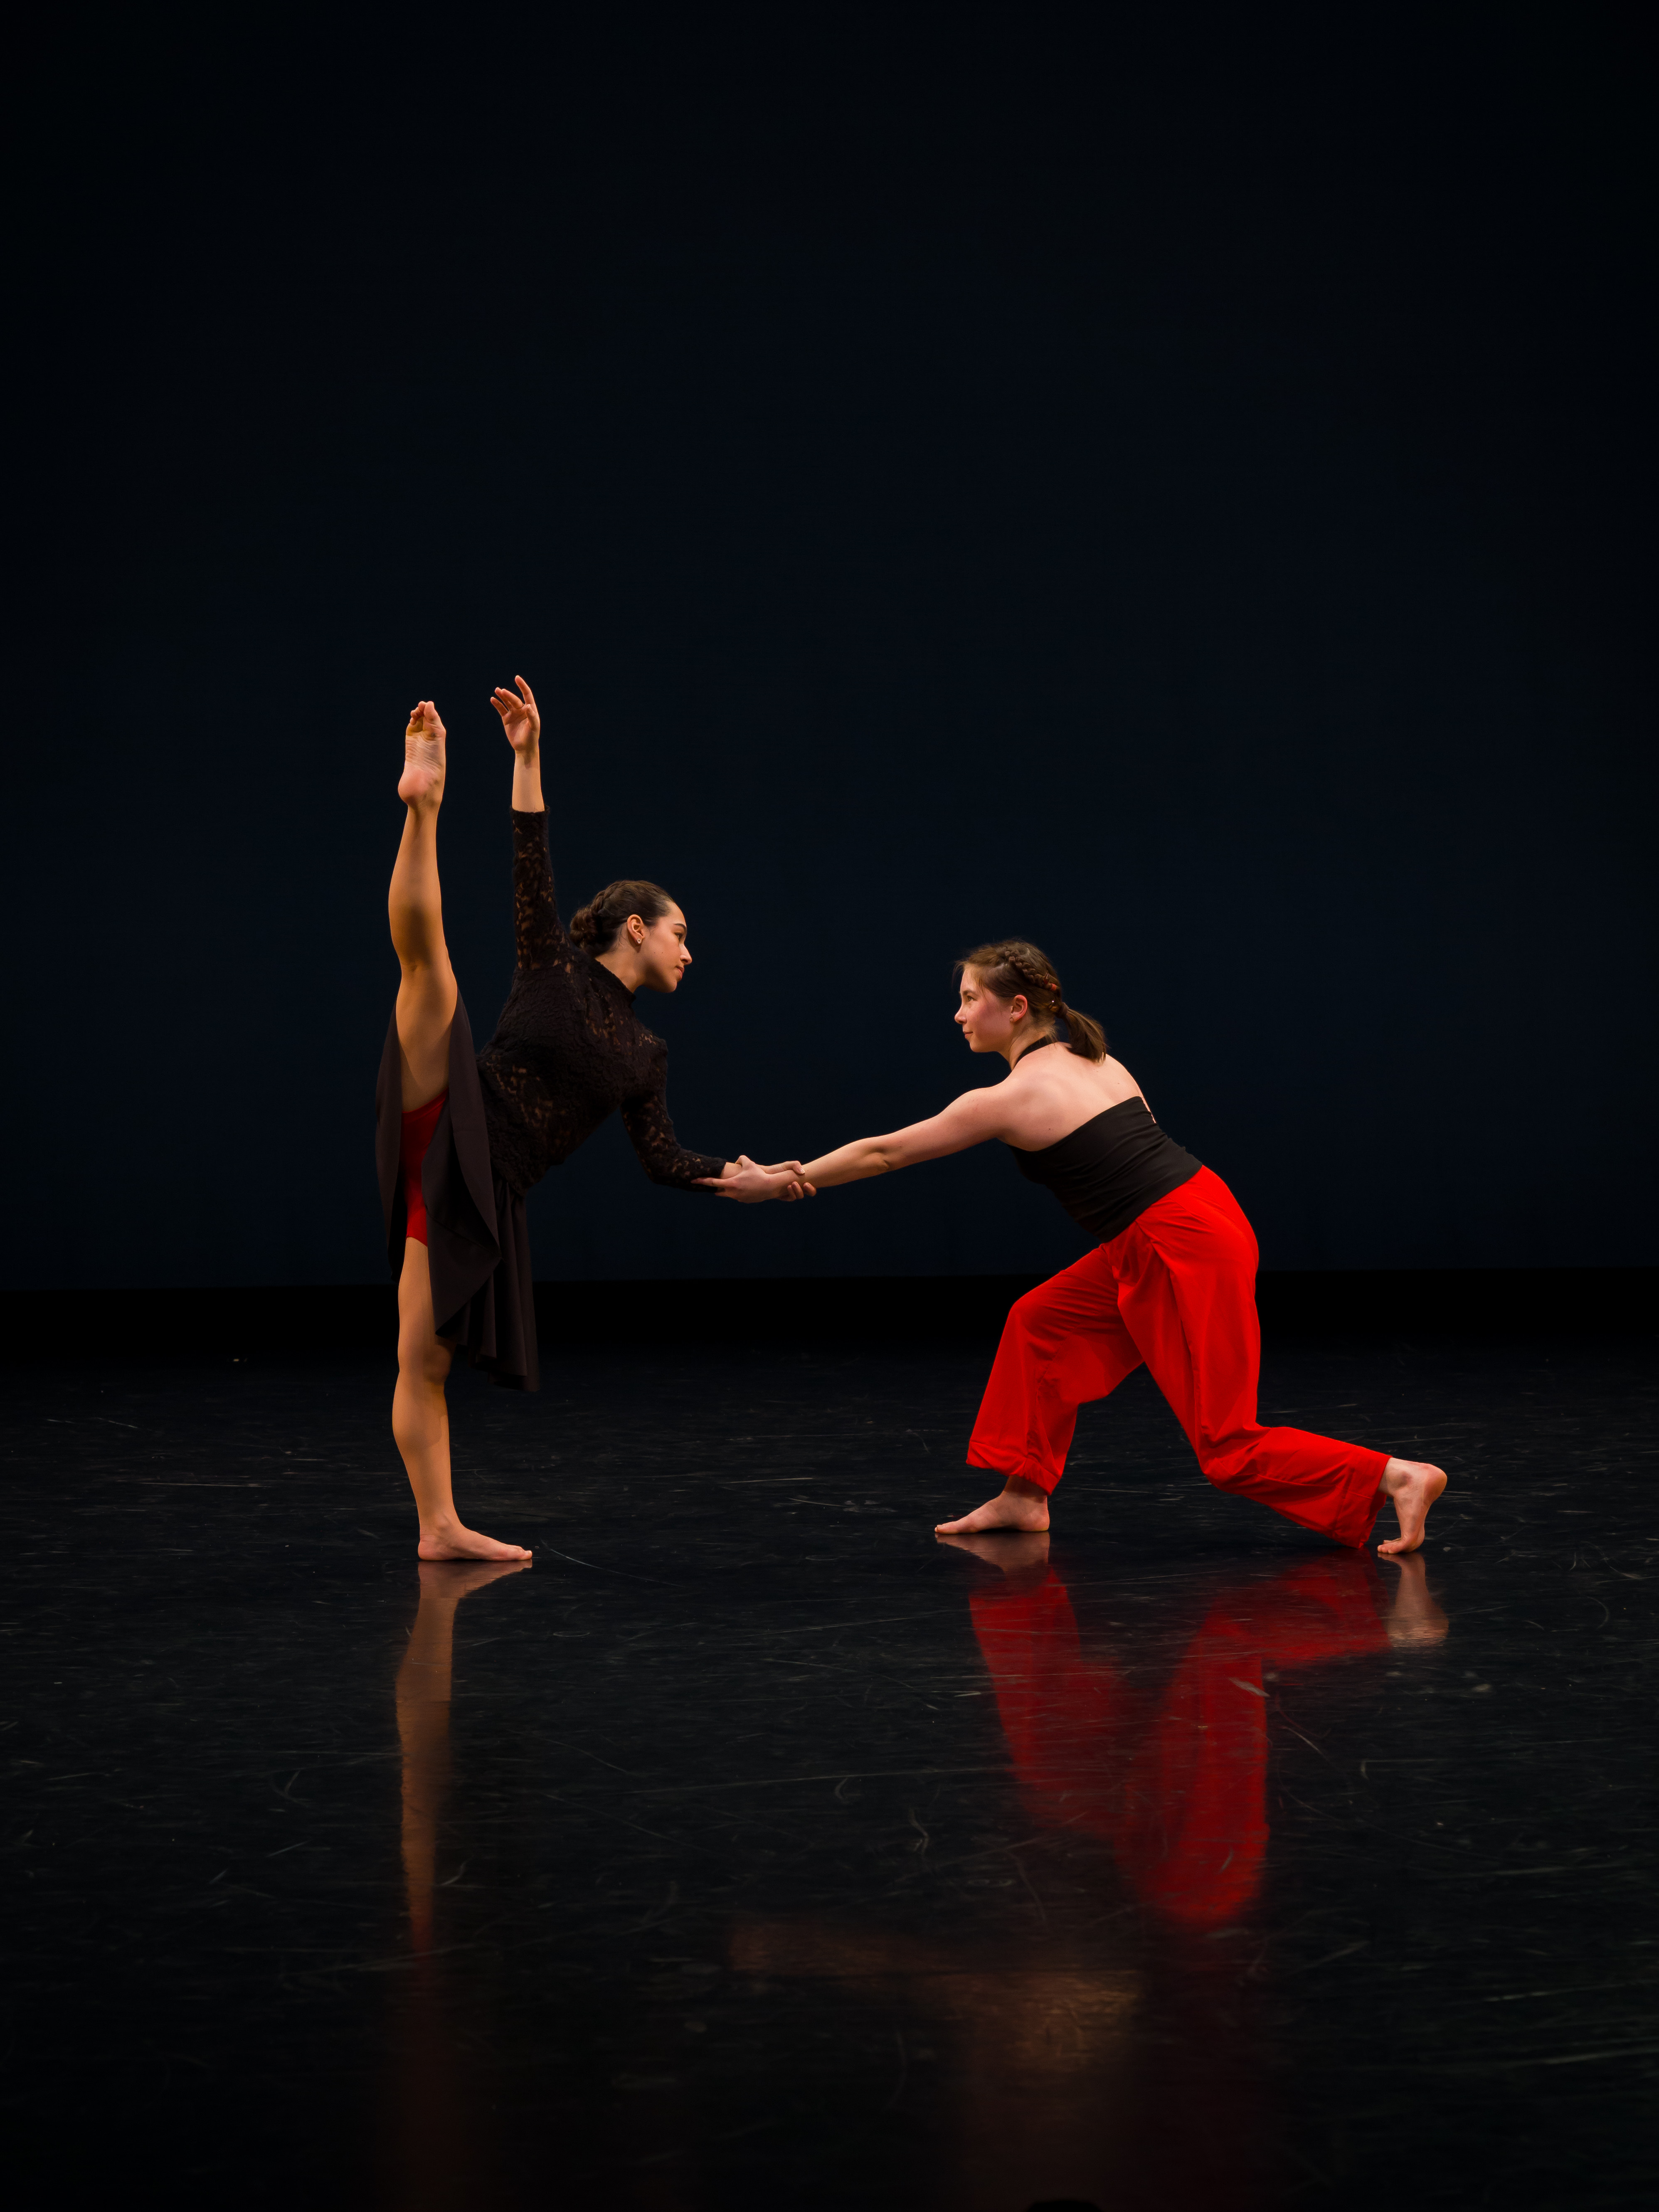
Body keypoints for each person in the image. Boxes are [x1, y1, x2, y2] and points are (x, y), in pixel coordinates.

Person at [707, 940, 1445, 1556]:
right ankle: (1025, 1495)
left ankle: (1395, 1476)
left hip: (1177, 1241)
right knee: (1042, 1322)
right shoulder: (1097, 1058)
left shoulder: (1009, 1096)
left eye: (971, 999)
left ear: (1017, 1007)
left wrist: (784, 1181)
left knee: (1226, 1446)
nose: (959, 1013)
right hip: (1184, 1221)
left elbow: (883, 1154)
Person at [380, 680, 800, 1562]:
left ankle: (437, 1528)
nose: (691, 953)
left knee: (424, 1361)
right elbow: (529, 852)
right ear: (636, 929)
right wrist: (526, 755)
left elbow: (662, 1159)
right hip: (454, 1110)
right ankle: (423, 806)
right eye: (680, 934)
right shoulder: (554, 967)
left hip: (485, 1183)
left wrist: (744, 1182)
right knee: (429, 974)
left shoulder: (647, 1057)